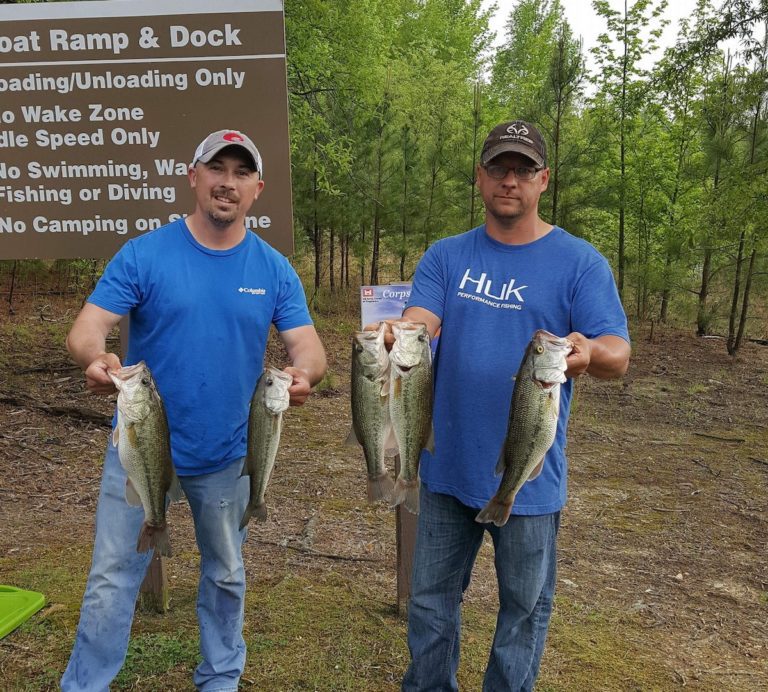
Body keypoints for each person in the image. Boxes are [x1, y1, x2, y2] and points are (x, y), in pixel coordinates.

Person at [61, 129, 327, 692]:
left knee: (226, 576)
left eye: (240, 173)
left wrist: (305, 372)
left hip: (228, 454)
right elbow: (88, 327)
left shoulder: (274, 269)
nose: (226, 183)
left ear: (258, 187)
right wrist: (97, 357)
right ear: (193, 175)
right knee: (111, 578)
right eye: (216, 168)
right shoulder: (145, 253)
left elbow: (308, 345)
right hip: (139, 446)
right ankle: (85, 684)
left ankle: (221, 678)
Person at [392, 120, 631, 691]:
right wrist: (398, 337)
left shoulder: (579, 262)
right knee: (428, 606)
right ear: (480, 177)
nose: (510, 180)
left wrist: (588, 350)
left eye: (523, 169)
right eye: (498, 167)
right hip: (446, 467)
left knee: (523, 614)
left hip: (529, 479)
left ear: (543, 180)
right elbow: (420, 323)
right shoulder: (447, 257)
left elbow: (618, 354)